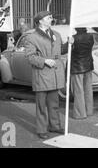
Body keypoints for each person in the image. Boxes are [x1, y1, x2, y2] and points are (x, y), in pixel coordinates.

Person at [24, 11, 70, 139]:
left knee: (54, 103)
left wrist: (69, 43)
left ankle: (55, 126)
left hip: (55, 74)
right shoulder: (32, 37)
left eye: (51, 17)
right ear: (40, 21)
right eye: (48, 18)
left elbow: (60, 51)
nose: (51, 19)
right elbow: (29, 57)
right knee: (41, 105)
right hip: (42, 74)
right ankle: (41, 129)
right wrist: (44, 61)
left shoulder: (57, 34)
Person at [70, 27, 94, 119]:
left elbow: (68, 50)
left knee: (78, 91)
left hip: (77, 66)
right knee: (88, 89)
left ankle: (80, 113)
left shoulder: (74, 38)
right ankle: (89, 110)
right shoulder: (90, 37)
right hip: (88, 65)